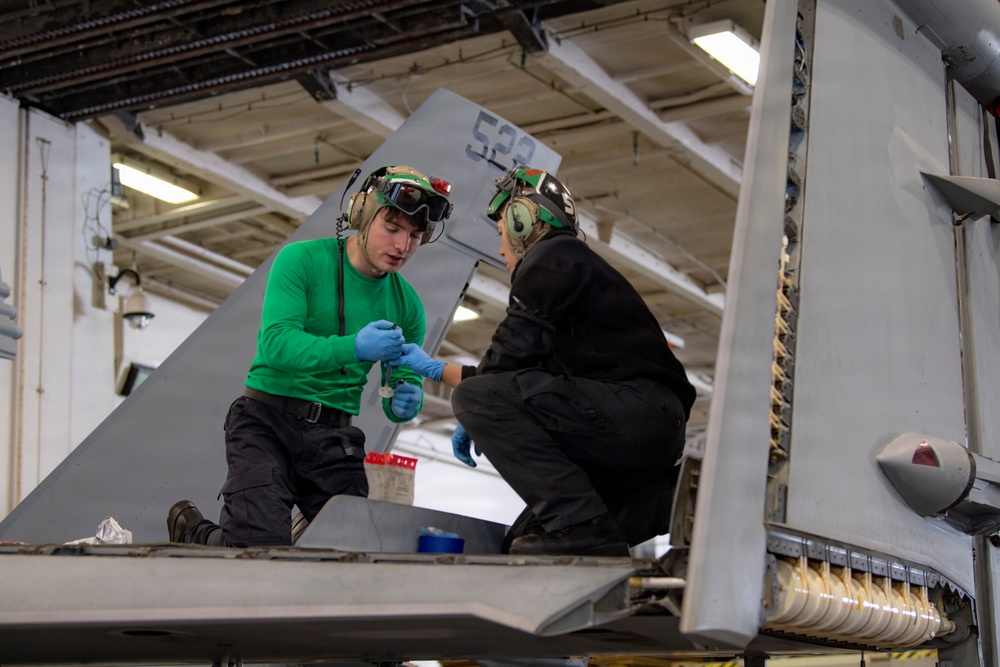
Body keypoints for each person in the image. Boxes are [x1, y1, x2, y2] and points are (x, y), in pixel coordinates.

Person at [394, 165, 695, 557]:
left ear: (523, 222)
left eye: (502, 234)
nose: (501, 250)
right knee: (528, 543)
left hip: (636, 414)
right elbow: (520, 373)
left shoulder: (554, 253)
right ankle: (669, 501)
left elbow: (506, 362)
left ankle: (583, 525)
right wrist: (439, 370)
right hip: (645, 428)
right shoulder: (572, 273)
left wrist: (474, 408)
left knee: (479, 400)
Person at [167, 165, 454, 547]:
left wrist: (405, 402)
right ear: (362, 216)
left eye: (415, 236)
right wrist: (352, 346)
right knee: (257, 546)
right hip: (267, 420)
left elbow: (397, 388)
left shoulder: (408, 307)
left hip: (334, 435)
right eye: (393, 228)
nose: (403, 246)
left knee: (358, 548)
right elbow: (276, 344)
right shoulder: (300, 261)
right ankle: (194, 532)